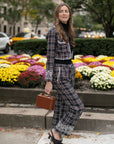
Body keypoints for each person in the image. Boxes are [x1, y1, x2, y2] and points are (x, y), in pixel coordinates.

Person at [45, 3, 84, 144]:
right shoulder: (52, 32)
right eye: (61, 11)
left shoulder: (68, 31)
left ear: (69, 15)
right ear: (57, 14)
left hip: (69, 72)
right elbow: (49, 58)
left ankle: (54, 138)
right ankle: (56, 131)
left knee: (61, 107)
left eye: (66, 11)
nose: (64, 13)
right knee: (77, 106)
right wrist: (48, 80)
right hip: (59, 75)